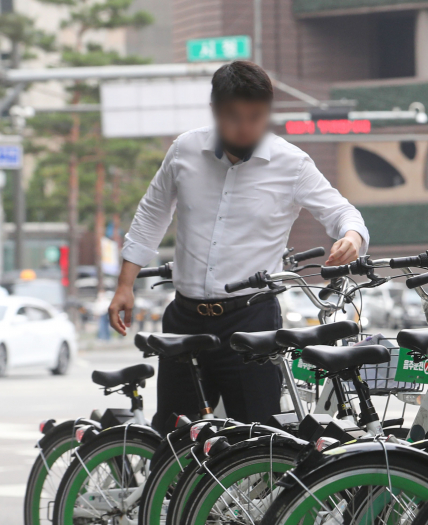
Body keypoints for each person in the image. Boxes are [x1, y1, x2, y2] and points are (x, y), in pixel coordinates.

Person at [108, 60, 369, 433]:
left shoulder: (291, 163)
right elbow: (152, 215)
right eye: (234, 116)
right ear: (215, 110)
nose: (246, 128)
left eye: (256, 117)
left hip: (251, 323)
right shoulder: (185, 150)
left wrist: (352, 237)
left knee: (258, 442)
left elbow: (343, 211)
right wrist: (124, 285)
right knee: (174, 439)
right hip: (184, 319)